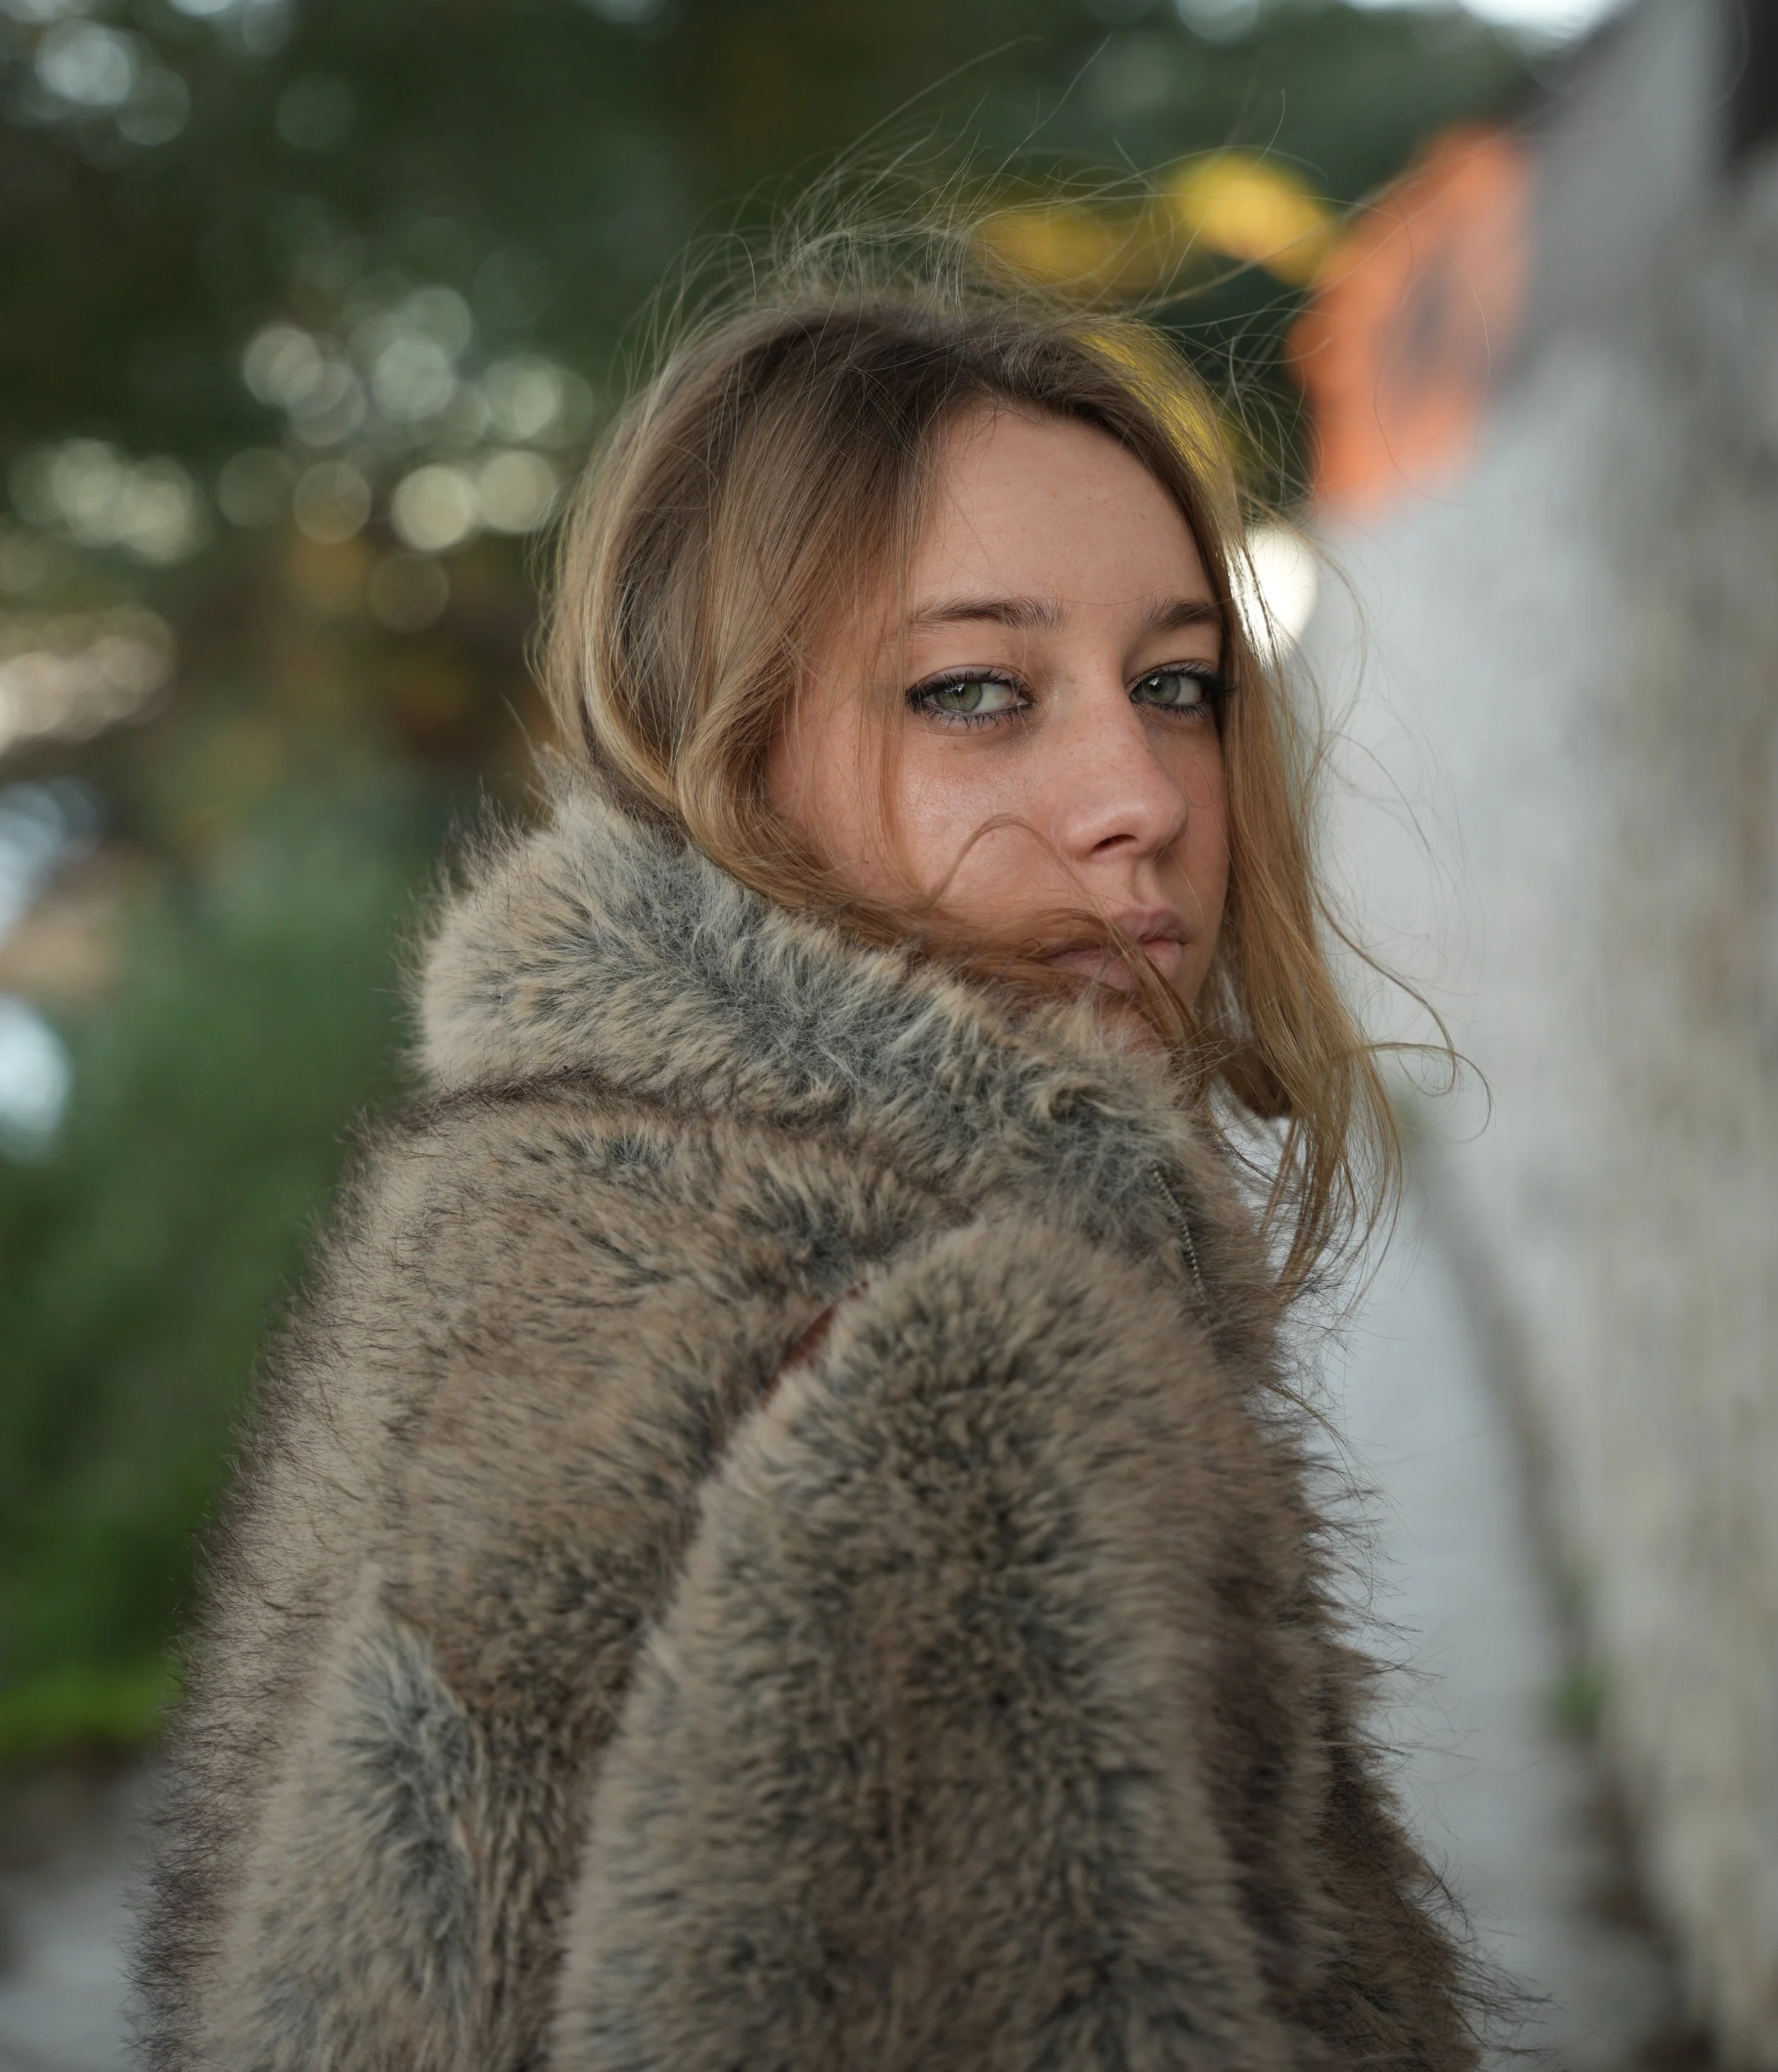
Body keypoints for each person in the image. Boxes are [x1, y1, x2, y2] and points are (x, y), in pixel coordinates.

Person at [139, 255, 1479, 2070]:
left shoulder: (541, 1207)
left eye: (1174, 683)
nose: (1145, 798)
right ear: (722, 747)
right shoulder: (946, 1375)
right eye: (972, 692)